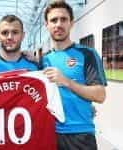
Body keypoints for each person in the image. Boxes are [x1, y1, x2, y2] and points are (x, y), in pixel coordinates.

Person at [0, 15, 65, 150]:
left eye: (15, 32)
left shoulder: (36, 67)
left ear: (23, 35)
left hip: (30, 143)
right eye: (4, 33)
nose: (9, 37)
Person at [42, 1, 107, 150]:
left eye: (63, 19)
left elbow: (100, 95)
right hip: (49, 133)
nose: (58, 24)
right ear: (47, 25)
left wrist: (66, 82)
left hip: (80, 135)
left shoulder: (87, 54)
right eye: (53, 20)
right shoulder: (43, 60)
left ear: (72, 23)